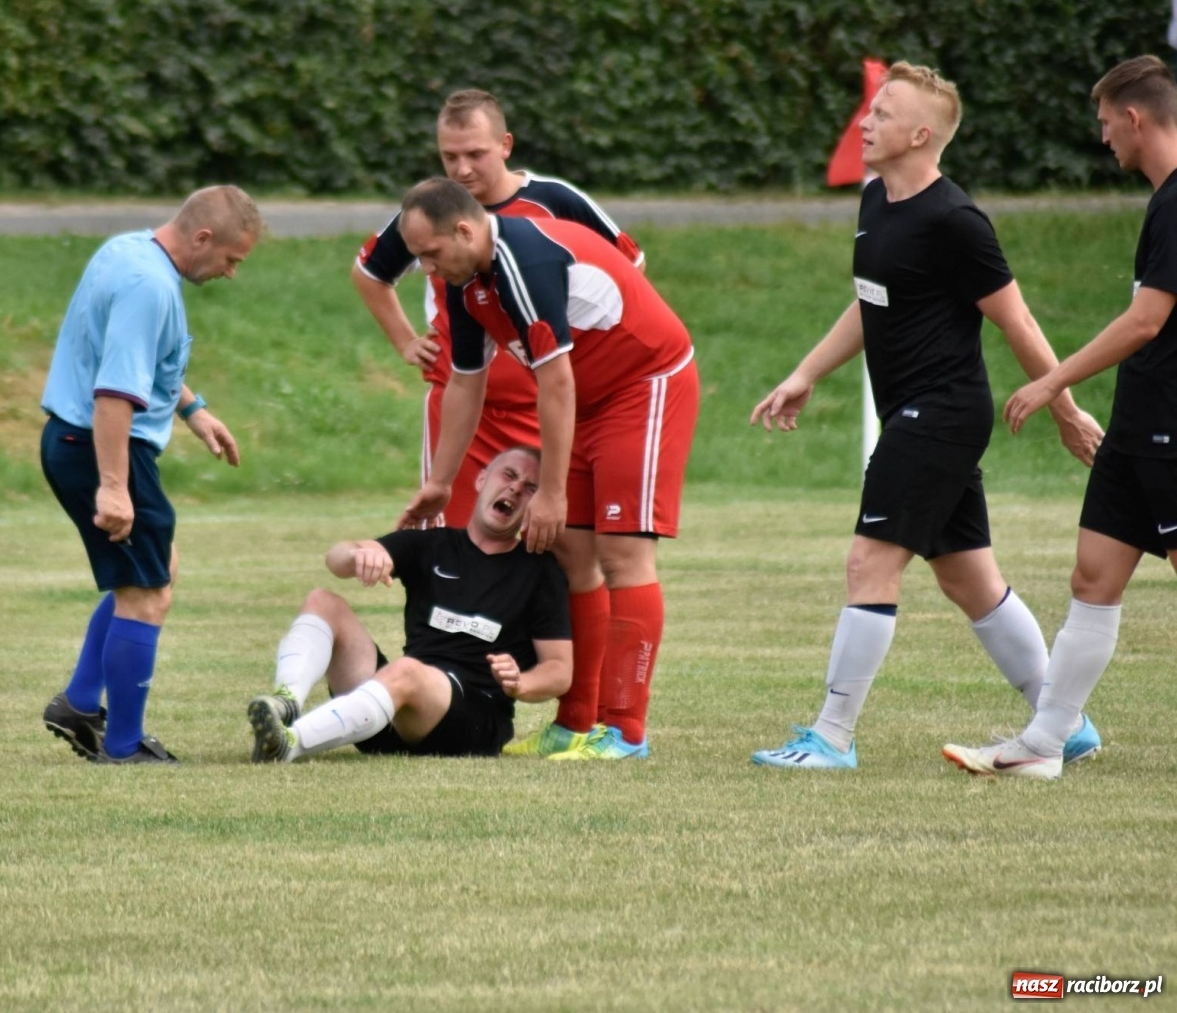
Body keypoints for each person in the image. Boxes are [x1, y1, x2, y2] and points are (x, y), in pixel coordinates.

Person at [747, 62, 1104, 771]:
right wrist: (806, 372)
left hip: (937, 415)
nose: (864, 122)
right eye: (868, 111)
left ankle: (832, 737)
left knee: (868, 564)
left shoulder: (955, 220)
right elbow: (871, 299)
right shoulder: (877, 199)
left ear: (918, 134)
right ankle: (1066, 721)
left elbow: (1018, 319)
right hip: (917, 412)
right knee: (968, 578)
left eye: (881, 114)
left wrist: (1064, 406)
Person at [396, 177, 698, 761]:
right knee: (573, 554)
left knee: (622, 554)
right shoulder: (463, 279)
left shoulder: (520, 261)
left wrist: (551, 492)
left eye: (431, 252)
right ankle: (577, 722)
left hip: (644, 382)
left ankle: (626, 731)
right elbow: (465, 381)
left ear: (465, 229)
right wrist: (439, 483)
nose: (427, 267)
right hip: (591, 394)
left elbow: (555, 382)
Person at [944, 55, 1177, 779]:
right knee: (1091, 577)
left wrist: (1053, 381)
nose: (1104, 138)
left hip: (1172, 427)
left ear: (1135, 119)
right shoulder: (1161, 200)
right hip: (1138, 425)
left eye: (1107, 124)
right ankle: (1043, 745)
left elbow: (1145, 320)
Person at [39, 186, 262, 764]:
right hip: (101, 447)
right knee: (148, 595)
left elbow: (136, 357)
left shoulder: (129, 251)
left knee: (160, 568)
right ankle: (122, 746)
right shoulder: (151, 286)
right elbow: (114, 392)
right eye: (232, 259)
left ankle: (82, 702)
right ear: (202, 238)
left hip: (76, 441)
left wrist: (192, 410)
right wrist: (113, 487)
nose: (231, 273)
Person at [352, 89, 645, 530]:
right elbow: (369, 273)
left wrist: (595, 361)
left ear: (505, 145)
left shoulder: (554, 200)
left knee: (553, 540)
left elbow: (629, 269)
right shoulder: (430, 213)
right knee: (451, 536)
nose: (462, 168)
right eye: (449, 157)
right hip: (463, 400)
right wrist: (406, 341)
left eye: (476, 153)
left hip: (543, 400)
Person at [247, 445, 572, 762]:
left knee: (406, 671)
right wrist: (360, 554)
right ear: (481, 479)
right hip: (394, 709)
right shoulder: (432, 545)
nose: (515, 488)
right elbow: (336, 559)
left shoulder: (540, 571)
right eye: (509, 475)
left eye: (530, 488)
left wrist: (521, 683)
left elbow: (559, 670)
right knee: (323, 601)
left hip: (474, 719)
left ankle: (290, 743)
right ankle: (285, 702)